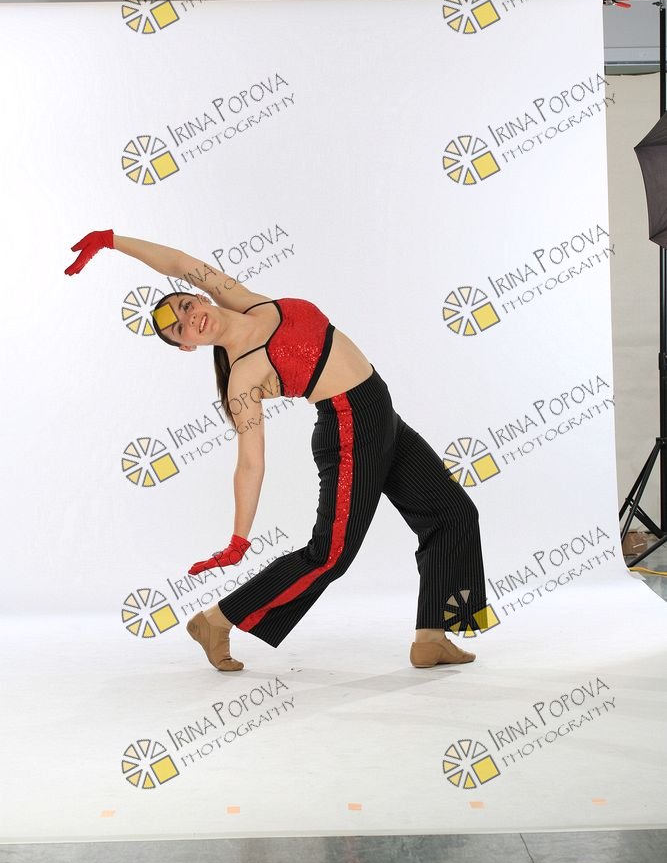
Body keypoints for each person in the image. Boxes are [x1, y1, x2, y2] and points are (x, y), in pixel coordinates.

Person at [66, 229, 496, 673]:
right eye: (180, 328)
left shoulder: (248, 301)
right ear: (187, 345)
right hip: (349, 431)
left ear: (199, 297)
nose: (190, 318)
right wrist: (238, 539)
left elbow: (177, 262)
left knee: (455, 514)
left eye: (186, 306)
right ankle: (215, 621)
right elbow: (250, 463)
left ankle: (431, 636)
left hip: (382, 414)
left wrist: (112, 241)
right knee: (328, 556)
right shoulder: (243, 377)